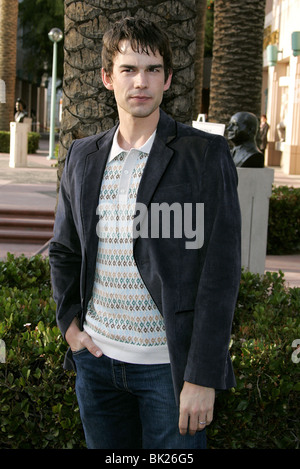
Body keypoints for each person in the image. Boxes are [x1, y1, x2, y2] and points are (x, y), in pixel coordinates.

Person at [49, 17, 241, 450]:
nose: (141, 81)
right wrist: (70, 329)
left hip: (168, 372)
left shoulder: (203, 155)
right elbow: (64, 250)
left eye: (153, 69)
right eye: (128, 69)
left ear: (168, 79)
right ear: (106, 77)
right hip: (96, 366)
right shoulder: (82, 155)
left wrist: (201, 376)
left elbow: (221, 272)